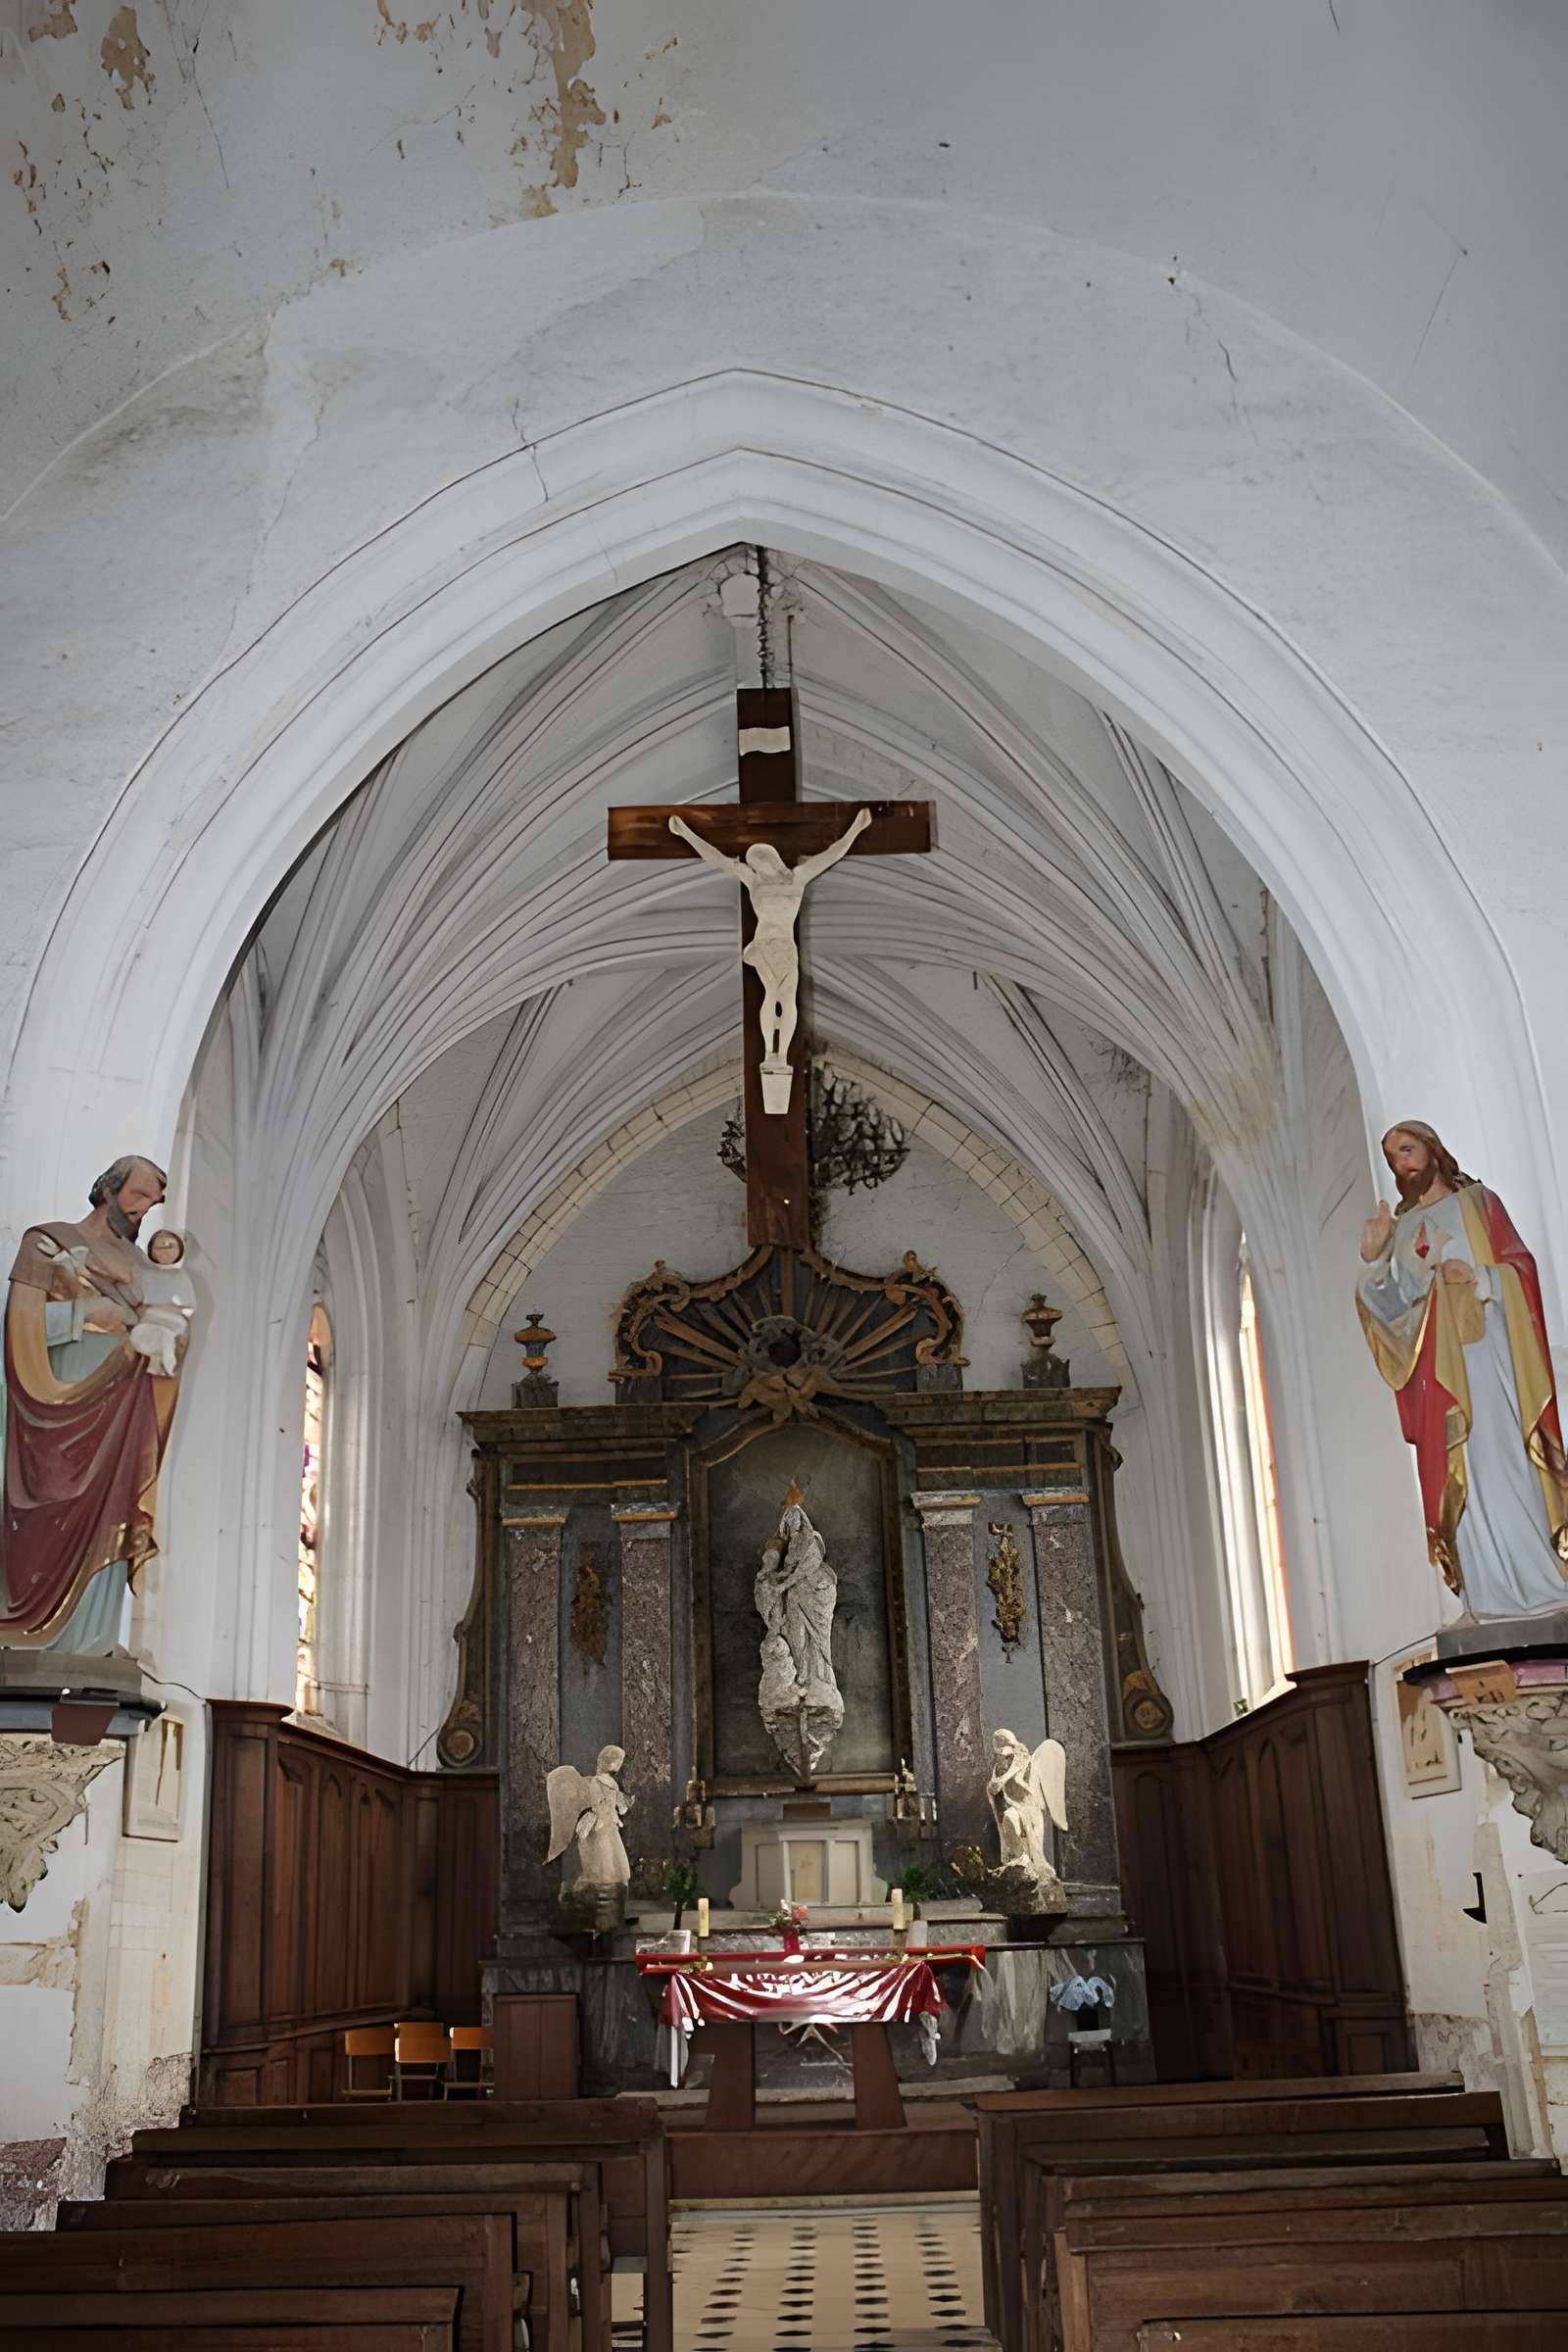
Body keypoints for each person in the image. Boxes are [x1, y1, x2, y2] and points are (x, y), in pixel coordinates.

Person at [1356, 1120, 1568, 1618]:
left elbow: (1522, 1269)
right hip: (1439, 1378)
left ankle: (1541, 1584)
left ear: (1432, 1150)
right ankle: (1484, 1596)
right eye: (1391, 1159)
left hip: (1488, 1357)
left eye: (1407, 1150)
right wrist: (1372, 1262)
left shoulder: (1480, 1204)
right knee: (1462, 1479)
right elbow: (1390, 1315)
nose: (1401, 1165)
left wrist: (1481, 1279)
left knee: (1505, 1464)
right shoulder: (1402, 1229)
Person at [0, 1154, 181, 1649]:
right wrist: (84, 1314)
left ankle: (92, 1640)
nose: (144, 1210)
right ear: (108, 1189)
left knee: (113, 1508)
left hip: (120, 1411)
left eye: (153, 1202)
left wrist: (169, 1345)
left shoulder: (143, 1267)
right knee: (47, 1516)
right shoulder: (48, 1242)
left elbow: (165, 1326)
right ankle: (31, 1638)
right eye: (139, 1195)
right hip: (55, 1410)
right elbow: (19, 1326)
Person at [131, 1229, 196, 1379]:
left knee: (167, 1335)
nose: (165, 1252)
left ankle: (168, 1365)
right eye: (160, 1247)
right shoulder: (145, 1273)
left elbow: (189, 1305)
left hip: (173, 1319)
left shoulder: (181, 1276)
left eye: (170, 1246)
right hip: (149, 1318)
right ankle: (159, 1364)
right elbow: (138, 1300)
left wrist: (169, 1308)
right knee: (152, 1334)